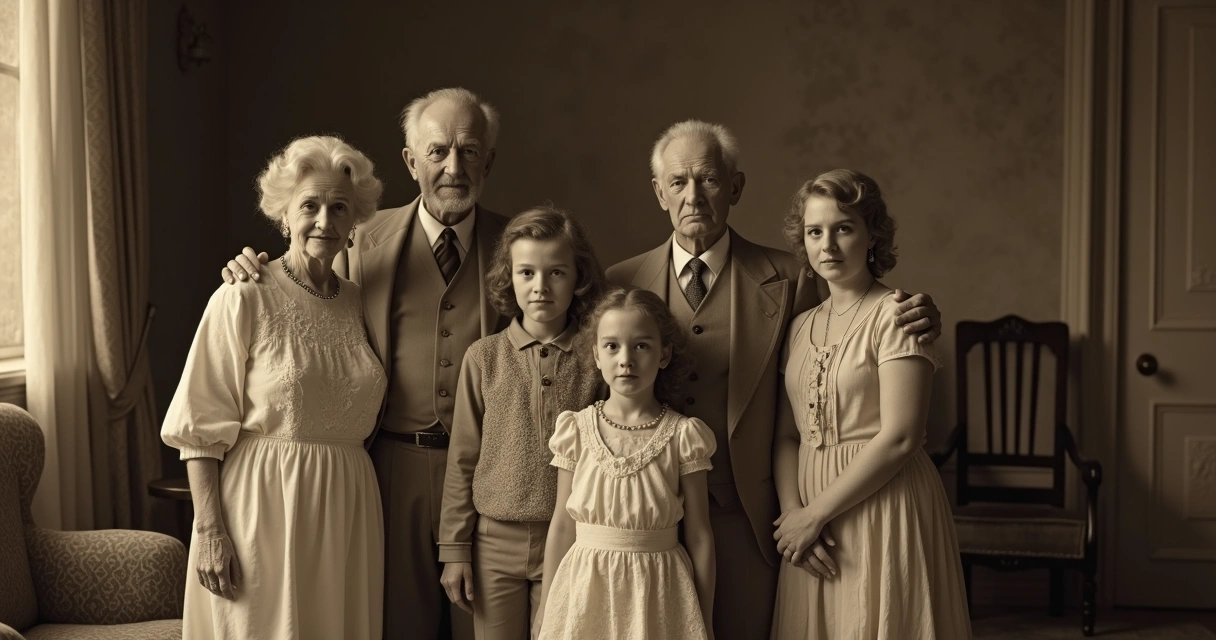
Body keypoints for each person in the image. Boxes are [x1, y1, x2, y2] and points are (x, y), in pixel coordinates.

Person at [605, 120, 942, 639]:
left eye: (710, 179)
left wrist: (922, 314)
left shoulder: (795, 278)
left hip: (755, 518)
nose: (693, 195)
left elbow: (854, 338)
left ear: (735, 187)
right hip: (648, 512)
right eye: (678, 182)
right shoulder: (619, 281)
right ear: (659, 192)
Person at [220, 87, 506, 640]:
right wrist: (246, 266)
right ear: (411, 161)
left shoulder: (520, 246)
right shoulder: (359, 237)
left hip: (486, 472)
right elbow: (301, 280)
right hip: (387, 471)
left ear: (488, 161)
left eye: (469, 151)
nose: (453, 167)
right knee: (390, 625)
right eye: (438, 150)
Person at [162, 135, 387, 639]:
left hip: (347, 511)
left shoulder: (359, 302)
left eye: (339, 208)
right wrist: (209, 530)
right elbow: (199, 425)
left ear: (354, 223)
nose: (324, 221)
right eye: (309, 205)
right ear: (284, 215)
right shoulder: (244, 294)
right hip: (261, 511)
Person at [770, 169, 970, 638]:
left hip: (883, 503)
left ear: (872, 235)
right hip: (807, 515)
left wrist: (817, 514)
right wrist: (793, 517)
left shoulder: (899, 315)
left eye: (844, 228)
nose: (828, 245)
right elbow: (786, 434)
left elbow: (902, 437)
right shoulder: (799, 327)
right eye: (815, 232)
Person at [437, 206, 608, 639]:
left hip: (574, 540)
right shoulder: (484, 357)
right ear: (509, 278)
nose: (540, 287)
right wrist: (455, 549)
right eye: (527, 273)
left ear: (579, 278)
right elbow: (462, 459)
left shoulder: (598, 359)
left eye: (556, 273)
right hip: (493, 544)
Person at [535, 287, 717, 639]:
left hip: (661, 589)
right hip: (585, 587)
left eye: (641, 346)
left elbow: (699, 534)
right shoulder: (576, 429)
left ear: (664, 355)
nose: (626, 359)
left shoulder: (684, 436)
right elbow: (561, 525)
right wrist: (545, 606)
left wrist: (704, 621)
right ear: (596, 355)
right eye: (612, 346)